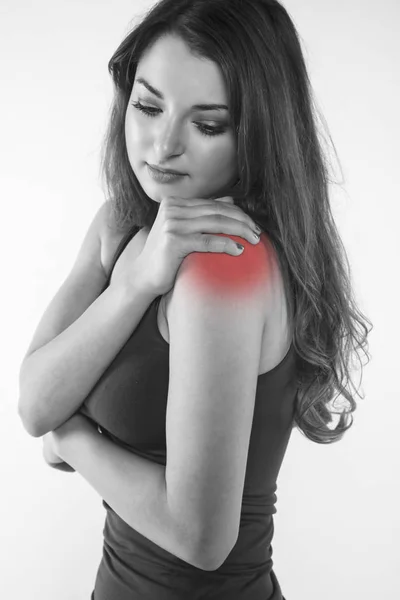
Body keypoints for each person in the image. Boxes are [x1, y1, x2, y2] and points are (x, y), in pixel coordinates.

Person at [18, 1, 372, 598]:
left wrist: (72, 440)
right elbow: (34, 403)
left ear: (259, 134)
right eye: (148, 106)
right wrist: (136, 283)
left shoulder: (222, 265)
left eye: (208, 125)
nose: (163, 145)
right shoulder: (121, 227)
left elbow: (200, 538)